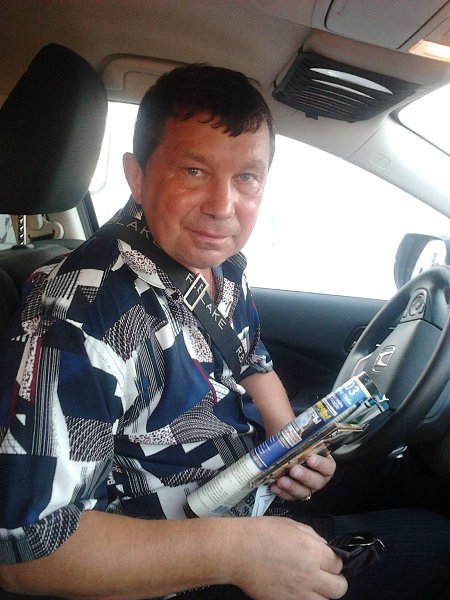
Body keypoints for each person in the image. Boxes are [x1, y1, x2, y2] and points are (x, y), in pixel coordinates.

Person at [0, 64, 449, 600]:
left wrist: (292, 448)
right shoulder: (78, 316)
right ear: (137, 176)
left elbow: (252, 361)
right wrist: (236, 554)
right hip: (174, 563)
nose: (222, 208)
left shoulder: (218, 262)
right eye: (194, 171)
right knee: (438, 544)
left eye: (247, 178)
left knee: (416, 484)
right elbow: (26, 550)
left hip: (247, 488)